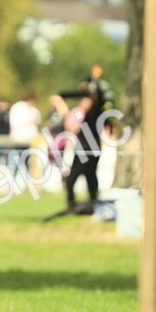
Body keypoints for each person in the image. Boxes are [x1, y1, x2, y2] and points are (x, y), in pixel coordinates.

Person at [54, 64, 114, 212]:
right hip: (91, 149)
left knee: (74, 179)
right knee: (90, 177)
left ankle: (74, 204)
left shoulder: (96, 111)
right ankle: (92, 204)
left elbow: (92, 95)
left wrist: (91, 81)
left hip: (85, 150)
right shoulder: (97, 112)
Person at [8, 92, 42, 175]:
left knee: (28, 162)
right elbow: (15, 124)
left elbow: (38, 121)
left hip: (31, 141)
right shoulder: (18, 108)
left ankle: (28, 182)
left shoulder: (34, 109)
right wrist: (29, 122)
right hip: (18, 140)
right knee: (15, 162)